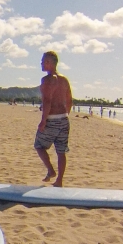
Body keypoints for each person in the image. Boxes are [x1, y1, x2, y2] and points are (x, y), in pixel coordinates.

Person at [36, 51, 72, 187]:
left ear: (49, 63)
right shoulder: (64, 80)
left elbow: (47, 101)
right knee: (61, 151)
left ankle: (51, 171)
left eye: (43, 61)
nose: (41, 63)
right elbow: (69, 100)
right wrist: (65, 115)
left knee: (39, 146)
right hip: (64, 119)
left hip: (51, 119)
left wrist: (43, 120)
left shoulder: (47, 80)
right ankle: (59, 181)